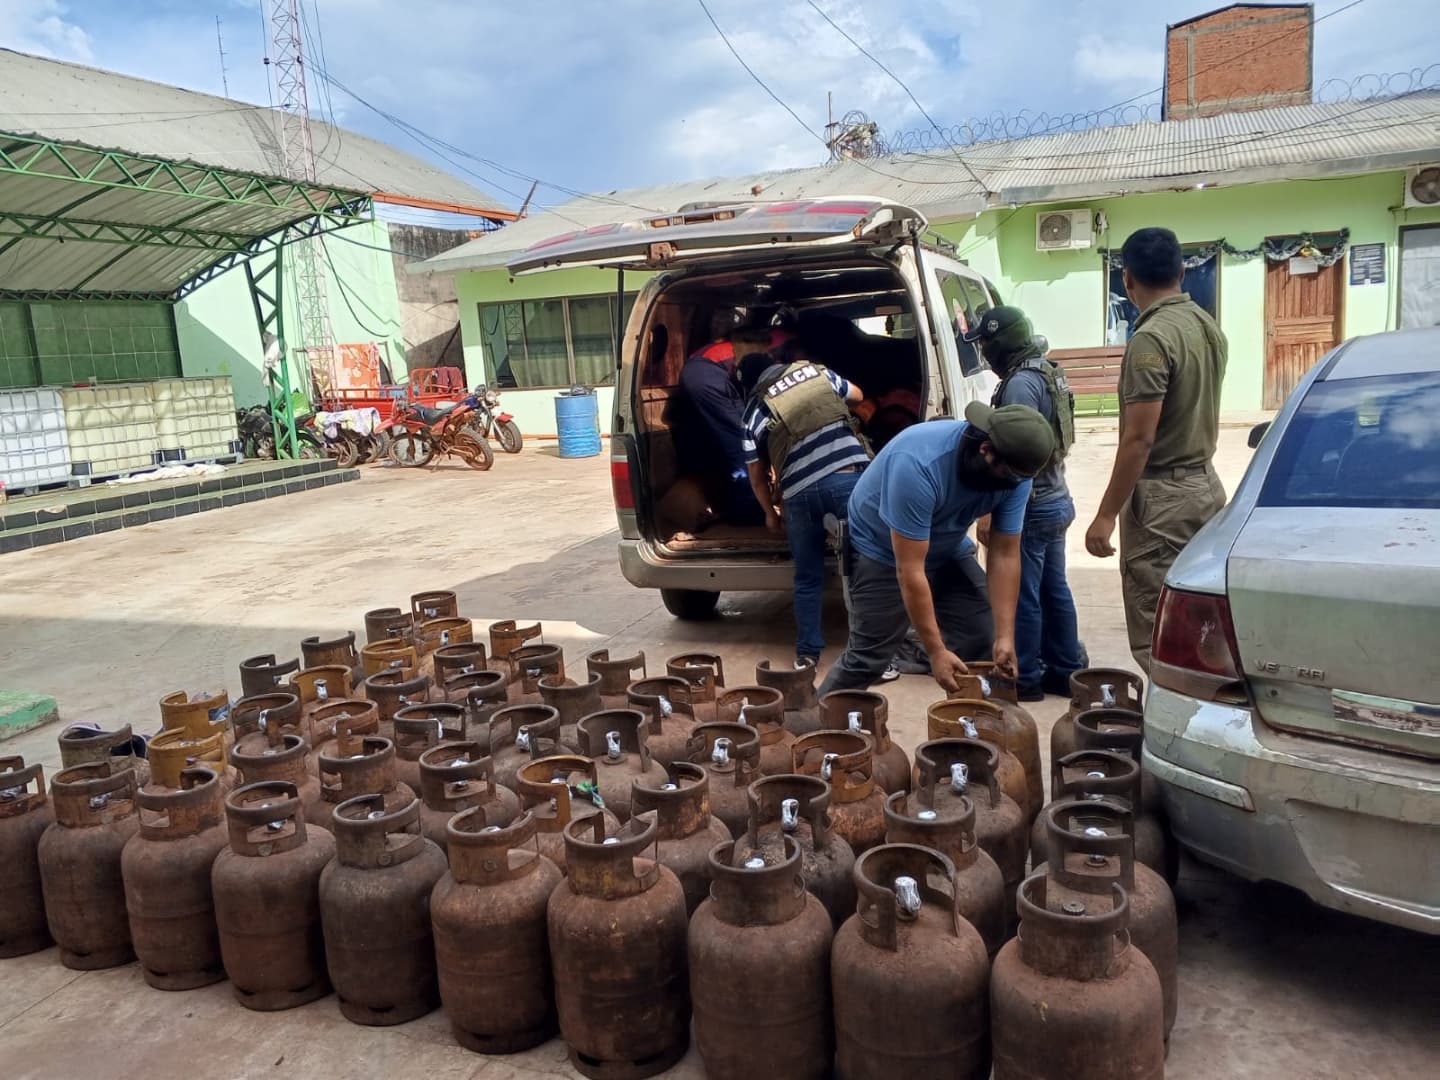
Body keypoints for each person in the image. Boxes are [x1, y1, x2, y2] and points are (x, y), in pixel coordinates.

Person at [818, 402, 1056, 695]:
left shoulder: (1015, 472)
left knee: (982, 634)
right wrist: (936, 651)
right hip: (880, 550)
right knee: (869, 658)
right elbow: (910, 569)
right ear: (986, 450)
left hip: (946, 543)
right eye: (1009, 476)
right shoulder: (919, 462)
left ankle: (968, 732)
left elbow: (1005, 553)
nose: (1015, 484)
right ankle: (815, 732)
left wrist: (1005, 637)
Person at [1084, 227, 1228, 671]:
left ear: (1127, 280)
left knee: (1159, 636)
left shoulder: (1151, 338)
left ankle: (1168, 733)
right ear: (1182, 272)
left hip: (1164, 501)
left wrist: (1106, 513)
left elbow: (1139, 439)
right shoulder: (1205, 325)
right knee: (1202, 628)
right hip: (1204, 486)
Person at [967, 306, 1085, 701]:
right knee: (1056, 589)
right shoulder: (1047, 371)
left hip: (1032, 503)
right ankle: (1067, 669)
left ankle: (1028, 677)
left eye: (985, 343)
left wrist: (989, 512)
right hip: (1057, 496)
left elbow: (1011, 454)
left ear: (1000, 342)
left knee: (1024, 595)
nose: (983, 351)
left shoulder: (1020, 386)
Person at [738, 343, 868, 667]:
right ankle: (874, 654)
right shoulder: (816, 372)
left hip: (799, 494)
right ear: (775, 364)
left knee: (808, 577)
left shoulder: (752, 412)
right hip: (846, 479)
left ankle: (807, 655)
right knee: (862, 570)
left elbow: (756, 477)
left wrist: (771, 515)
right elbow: (858, 396)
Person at [670, 317, 779, 527]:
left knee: (741, 437)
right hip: (706, 375)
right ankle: (747, 511)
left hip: (704, 371)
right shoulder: (782, 347)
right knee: (742, 440)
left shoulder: (765, 342)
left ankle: (744, 505)